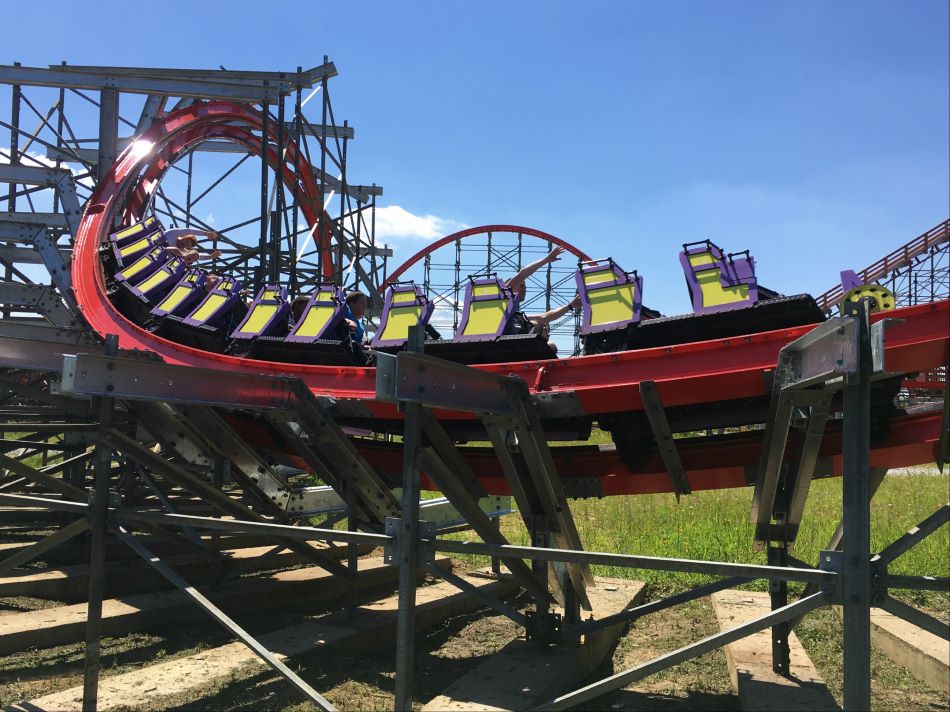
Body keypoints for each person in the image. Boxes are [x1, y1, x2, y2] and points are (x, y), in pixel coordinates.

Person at [503, 245, 581, 344]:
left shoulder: (516, 317)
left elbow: (544, 317)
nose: (524, 290)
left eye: (525, 287)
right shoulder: (503, 296)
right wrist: (546, 259)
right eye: (521, 286)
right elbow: (522, 274)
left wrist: (570, 306)